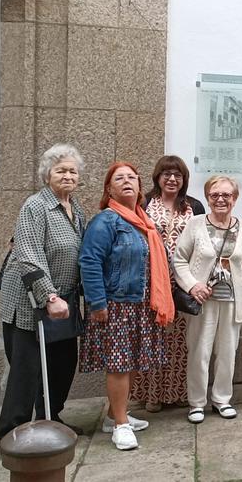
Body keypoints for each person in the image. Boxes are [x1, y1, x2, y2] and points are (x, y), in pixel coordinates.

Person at [79, 162, 175, 451]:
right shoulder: (106, 221)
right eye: (119, 178)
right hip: (116, 305)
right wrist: (97, 302)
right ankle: (121, 425)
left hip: (141, 304)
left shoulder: (142, 220)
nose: (126, 181)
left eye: (131, 177)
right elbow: (89, 261)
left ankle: (113, 415)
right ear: (109, 189)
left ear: (139, 185)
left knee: (132, 362)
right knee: (119, 365)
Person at [0, 144, 86, 439]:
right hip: (30, 302)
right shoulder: (35, 206)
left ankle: (51, 420)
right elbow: (29, 254)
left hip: (63, 302)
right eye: (61, 170)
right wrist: (49, 295)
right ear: (47, 174)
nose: (68, 176)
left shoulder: (77, 211)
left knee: (62, 364)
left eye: (73, 171)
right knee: (27, 368)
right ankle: (14, 434)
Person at [173, 176, 242, 423]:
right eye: (215, 195)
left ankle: (222, 399)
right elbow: (179, 259)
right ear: (208, 197)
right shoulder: (195, 224)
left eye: (226, 195)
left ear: (235, 198)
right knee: (199, 352)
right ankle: (197, 403)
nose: (221, 199)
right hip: (202, 301)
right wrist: (193, 285)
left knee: (227, 352)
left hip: (233, 301)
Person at [132, 156, 206, 413]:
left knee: (180, 341)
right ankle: (152, 394)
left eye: (178, 175)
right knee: (153, 338)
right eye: (167, 174)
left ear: (184, 179)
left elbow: (201, 241)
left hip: (184, 283)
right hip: (152, 282)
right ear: (157, 177)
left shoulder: (194, 206)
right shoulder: (143, 203)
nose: (172, 179)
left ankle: (178, 392)